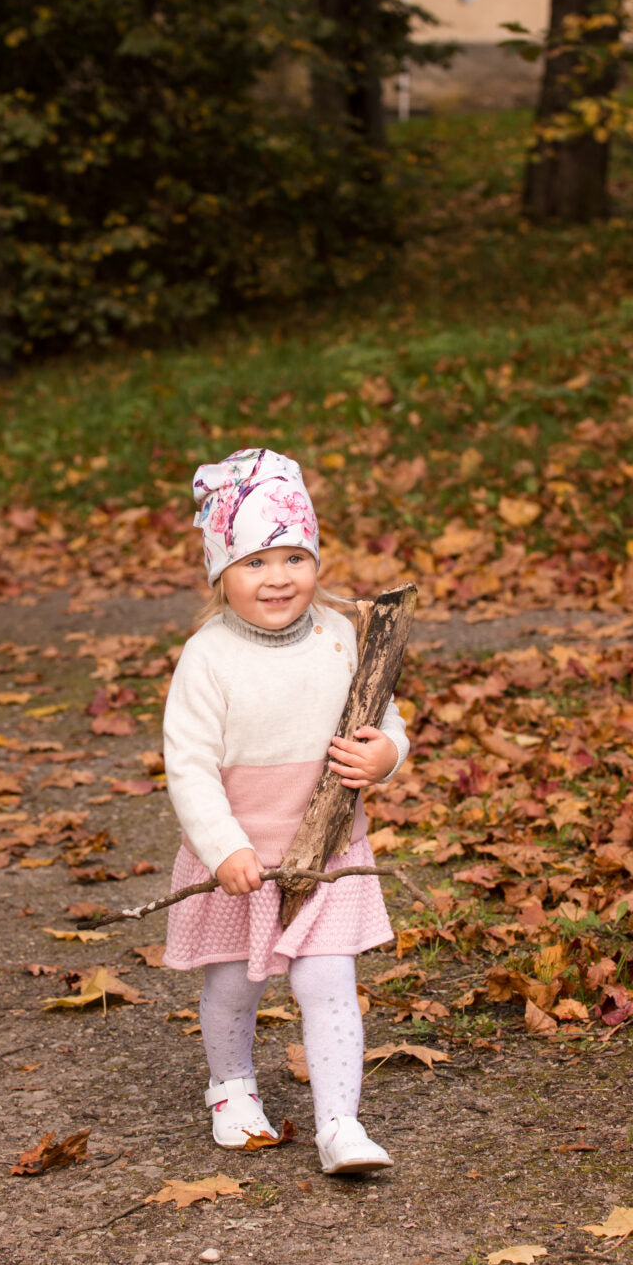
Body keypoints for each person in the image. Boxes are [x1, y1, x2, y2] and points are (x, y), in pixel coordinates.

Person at [162, 448, 409, 1174]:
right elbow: (190, 767)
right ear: (221, 574)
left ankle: (340, 1123)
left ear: (317, 561)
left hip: (329, 854)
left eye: (294, 557)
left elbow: (385, 720)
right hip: (243, 858)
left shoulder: (341, 636)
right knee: (234, 985)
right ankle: (232, 1089)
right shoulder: (207, 658)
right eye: (254, 562)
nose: (278, 578)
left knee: (326, 982)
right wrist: (222, 847)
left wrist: (385, 756)